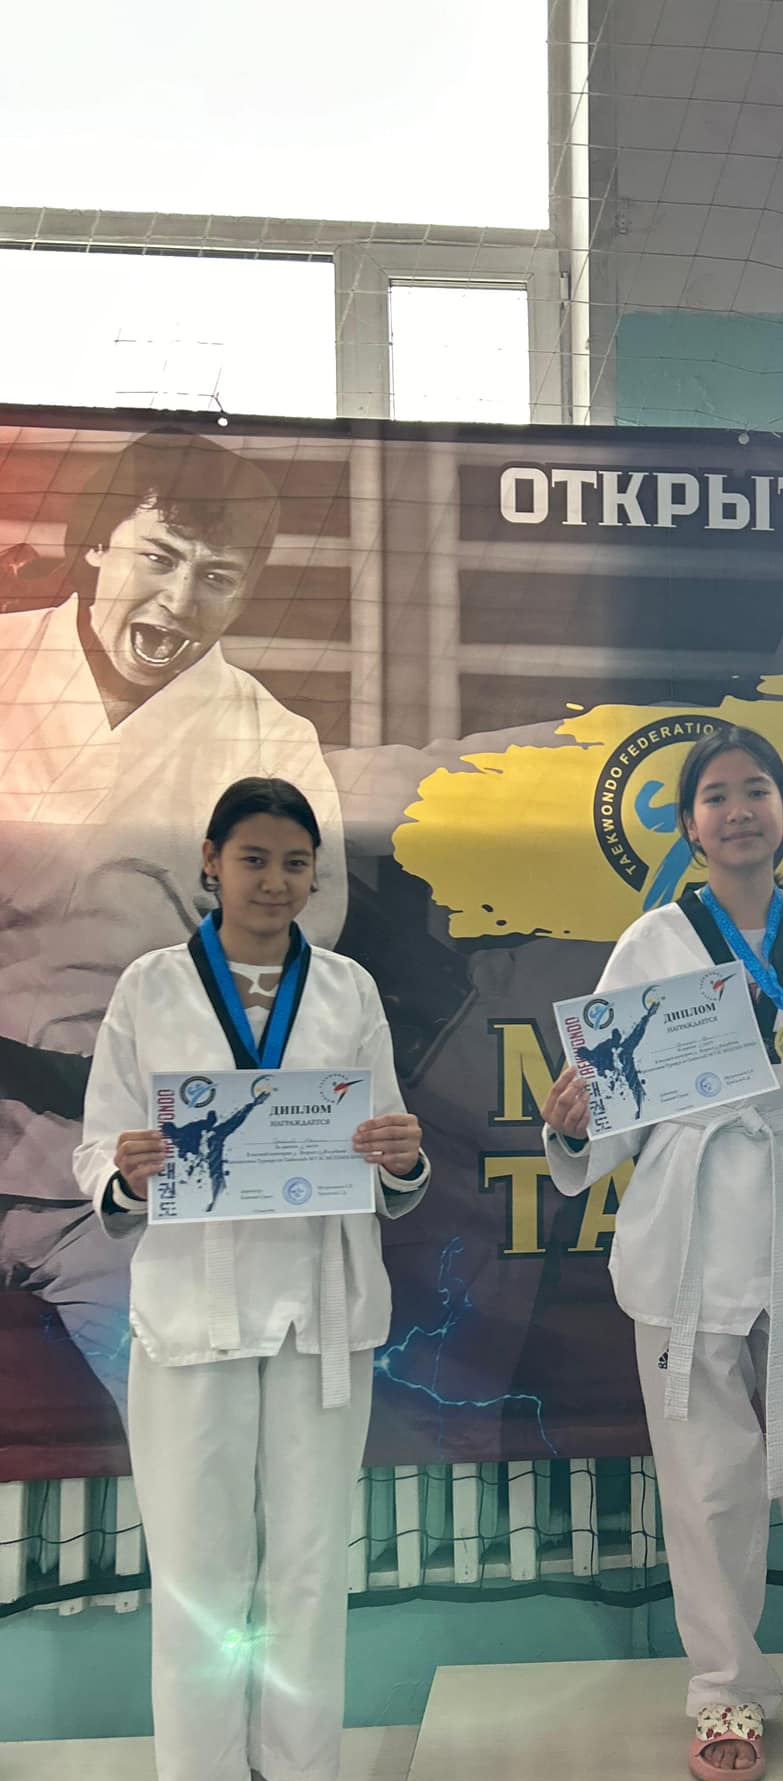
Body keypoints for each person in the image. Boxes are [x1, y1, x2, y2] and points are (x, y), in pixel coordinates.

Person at [541, 724, 783, 1781]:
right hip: (691, 1224)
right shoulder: (652, 941)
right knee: (705, 1476)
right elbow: (612, 1091)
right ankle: (726, 1690)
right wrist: (574, 1123)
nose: (739, 810)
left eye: (757, 789)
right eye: (716, 795)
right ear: (689, 824)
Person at [73, 777, 426, 1781]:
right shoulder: (151, 987)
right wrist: (126, 1170)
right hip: (193, 1309)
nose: (275, 881)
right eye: (255, 858)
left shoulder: (348, 989)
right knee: (197, 1565)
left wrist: (401, 1156)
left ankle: (287, 1777)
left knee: (309, 1560)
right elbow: (95, 1145)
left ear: (315, 877)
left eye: (295, 863)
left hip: (322, 1306)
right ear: (212, 864)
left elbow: (389, 1141)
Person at [0, 430, 345, 1416]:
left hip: (126, 1168)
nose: (181, 601)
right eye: (157, 556)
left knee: (188, 1423)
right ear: (95, 544)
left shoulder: (270, 741)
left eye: (217, 577)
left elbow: (296, 958)